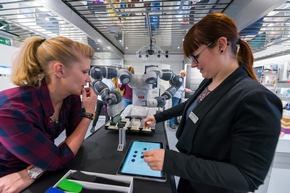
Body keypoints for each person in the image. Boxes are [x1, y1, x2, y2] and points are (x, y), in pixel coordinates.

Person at [143, 12, 282, 193]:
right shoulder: (210, 81)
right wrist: (158, 116)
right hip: (191, 180)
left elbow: (246, 177)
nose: (193, 64)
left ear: (221, 45)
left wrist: (174, 162)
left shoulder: (255, 98)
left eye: (196, 56)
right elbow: (191, 106)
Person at [0, 36, 97, 192]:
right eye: (84, 71)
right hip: (7, 180)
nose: (88, 79)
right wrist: (88, 115)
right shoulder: (10, 112)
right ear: (59, 70)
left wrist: (32, 172)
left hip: (35, 169)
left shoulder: (69, 98)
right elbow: (58, 159)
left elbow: (72, 142)